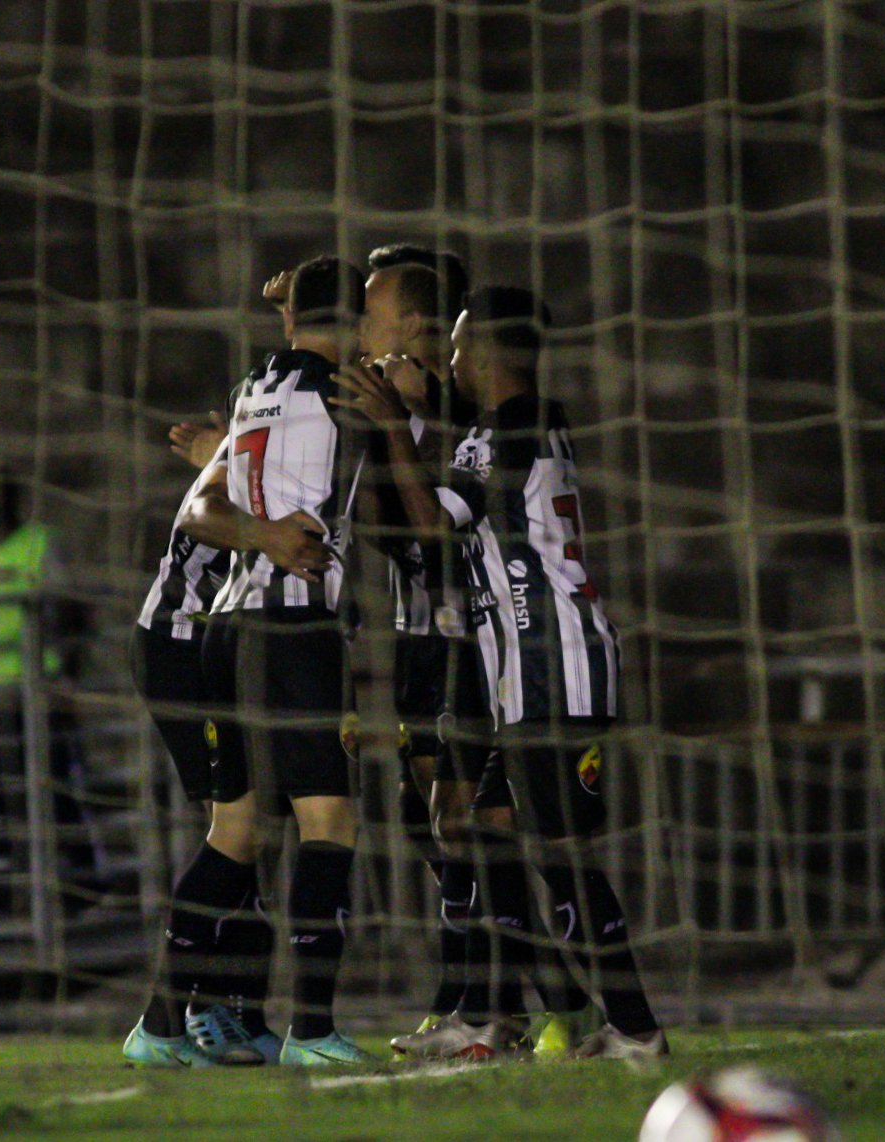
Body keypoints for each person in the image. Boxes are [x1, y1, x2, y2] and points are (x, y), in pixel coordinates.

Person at [333, 286, 667, 1060]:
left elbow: (427, 521)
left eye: (454, 348)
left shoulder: (517, 426)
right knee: (483, 833)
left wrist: (392, 425)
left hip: (559, 667)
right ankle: (493, 1015)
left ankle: (634, 1027)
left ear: (482, 349)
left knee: (558, 855)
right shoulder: (500, 428)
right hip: (518, 676)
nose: (448, 362)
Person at [167, 254, 373, 1066]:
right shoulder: (346, 394)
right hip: (291, 630)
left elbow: (198, 512)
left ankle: (159, 1019)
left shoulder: (255, 389)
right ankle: (313, 1032)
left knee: (237, 833)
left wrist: (254, 534)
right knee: (329, 826)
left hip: (226, 628)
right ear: (355, 321)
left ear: (288, 318)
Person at [122, 415, 286, 1068]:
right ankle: (168, 1020)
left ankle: (236, 1012)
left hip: (217, 654)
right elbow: (203, 518)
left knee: (250, 834)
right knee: (237, 829)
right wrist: (221, 456)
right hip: (182, 647)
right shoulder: (253, 470)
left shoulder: (258, 461)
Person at [0, 469, 101, 903]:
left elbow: (75, 615)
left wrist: (68, 679)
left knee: (59, 792)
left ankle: (82, 885)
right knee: (4, 794)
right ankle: (26, 886)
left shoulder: (39, 544)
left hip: (40, 692)